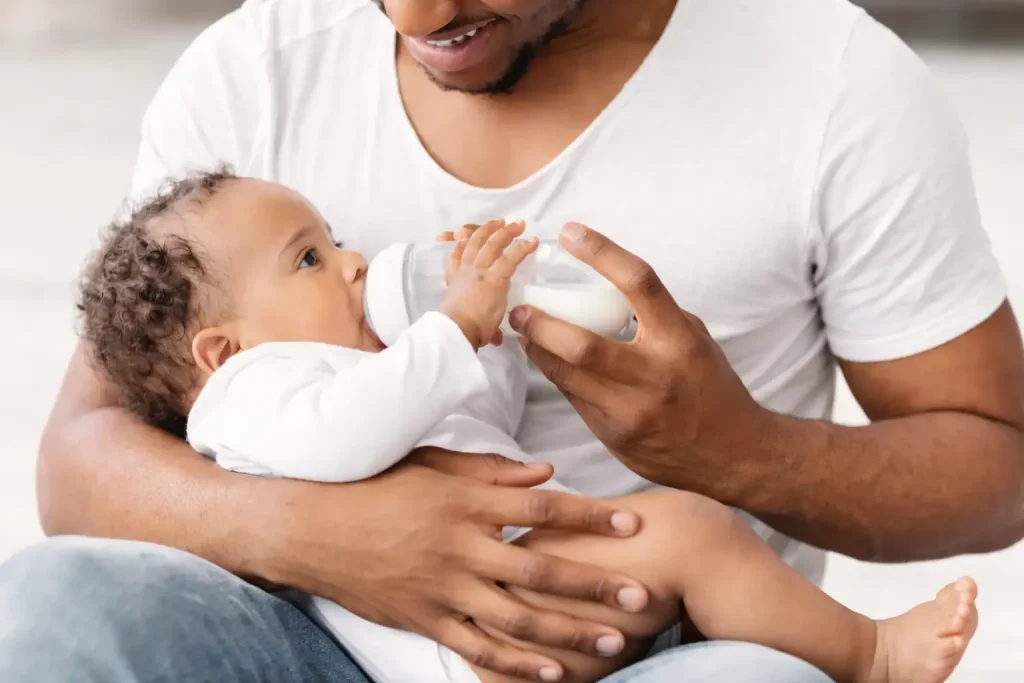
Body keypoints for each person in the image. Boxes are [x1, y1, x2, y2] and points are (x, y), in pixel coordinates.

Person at [2, 0, 1022, 681]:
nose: (415, 15)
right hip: (322, 632)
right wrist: (320, 537)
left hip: (638, 631)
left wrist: (737, 449)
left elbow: (996, 465)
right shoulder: (256, 74)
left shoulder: (832, 84)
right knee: (49, 602)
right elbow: (84, 456)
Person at [75, 168, 979, 683]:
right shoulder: (255, 396)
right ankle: (872, 657)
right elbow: (344, 436)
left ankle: (759, 644)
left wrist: (497, 338)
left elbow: (480, 423)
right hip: (463, 639)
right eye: (309, 258)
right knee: (690, 528)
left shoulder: (352, 365)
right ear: (218, 351)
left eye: (335, 239)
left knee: (690, 547)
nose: (353, 264)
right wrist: (453, 325)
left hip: (511, 606)